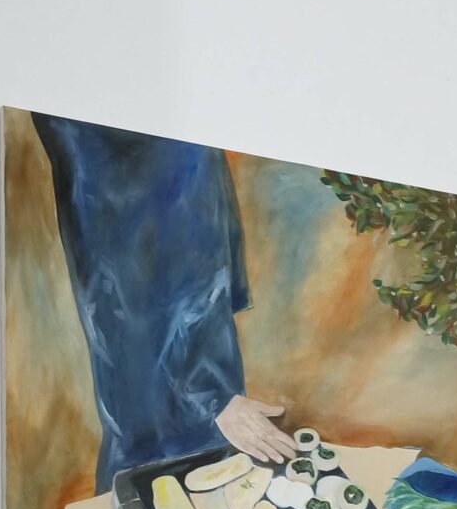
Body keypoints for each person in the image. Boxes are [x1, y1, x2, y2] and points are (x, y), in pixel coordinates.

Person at [33, 114, 293, 488]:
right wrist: (211, 394)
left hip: (139, 319)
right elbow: (164, 225)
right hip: (165, 349)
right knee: (166, 471)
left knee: (146, 459)